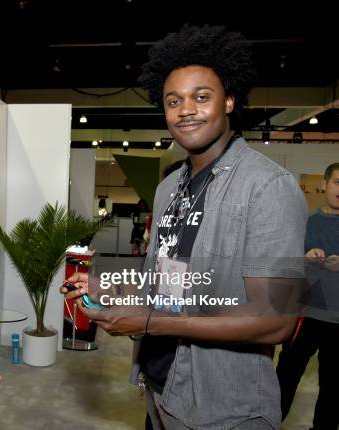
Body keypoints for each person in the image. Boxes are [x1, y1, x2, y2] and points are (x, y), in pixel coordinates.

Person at [62, 25, 307, 430]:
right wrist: (108, 288)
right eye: (173, 100)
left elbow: (277, 321)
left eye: (201, 97)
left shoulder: (267, 187)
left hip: (226, 408)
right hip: (159, 387)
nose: (185, 109)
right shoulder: (168, 188)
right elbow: (167, 285)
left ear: (229, 101)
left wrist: (147, 323)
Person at [275, 162, 339, 429]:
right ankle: (268, 423)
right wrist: (304, 258)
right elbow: (284, 264)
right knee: (285, 378)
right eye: (338, 182)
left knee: (333, 387)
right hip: (305, 314)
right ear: (324, 184)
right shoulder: (306, 222)